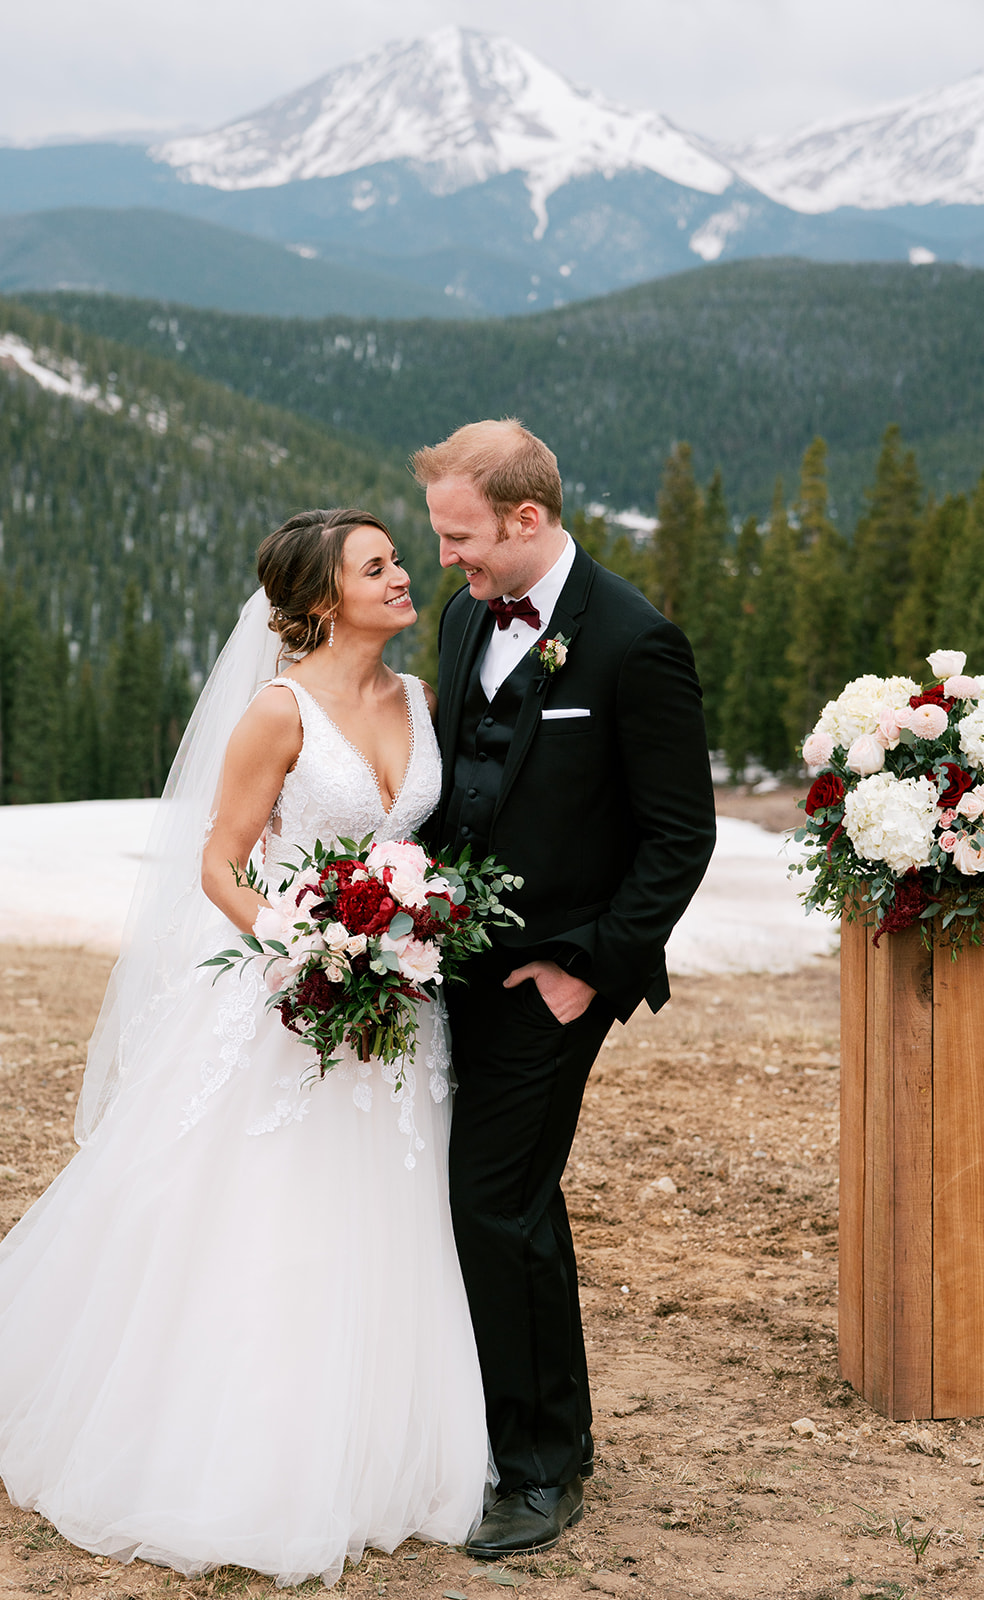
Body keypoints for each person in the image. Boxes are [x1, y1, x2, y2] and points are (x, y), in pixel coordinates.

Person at [0, 507, 490, 1587]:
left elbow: (422, 845)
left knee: (383, 1207)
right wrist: (305, 945)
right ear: (316, 602)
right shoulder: (276, 712)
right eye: (377, 566)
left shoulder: (422, 700)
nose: (405, 578)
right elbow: (220, 864)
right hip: (291, 994)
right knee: (265, 1208)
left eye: (398, 560)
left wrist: (405, 930)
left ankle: (376, 1442)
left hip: (399, 1005)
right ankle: (238, 1445)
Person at [413, 420, 716, 1557]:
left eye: (461, 537)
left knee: (491, 1198)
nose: (446, 558)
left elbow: (678, 837)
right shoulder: (458, 620)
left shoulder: (633, 641)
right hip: (447, 972)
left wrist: (587, 970)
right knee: (514, 1198)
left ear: (526, 519)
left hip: (554, 980)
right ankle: (553, 1433)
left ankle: (537, 1472)